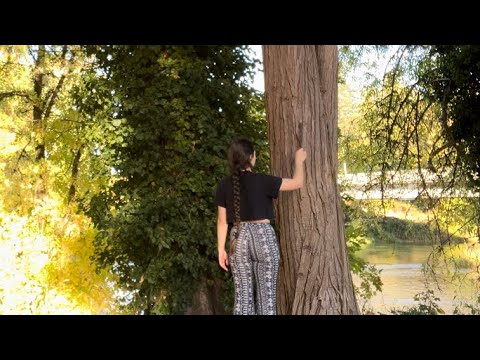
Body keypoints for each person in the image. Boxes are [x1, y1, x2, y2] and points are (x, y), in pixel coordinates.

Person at [215, 137, 307, 315]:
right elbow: (297, 183)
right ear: (251, 157)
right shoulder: (264, 180)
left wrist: (221, 249)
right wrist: (298, 161)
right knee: (267, 299)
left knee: (242, 299)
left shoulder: (224, 185)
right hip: (263, 238)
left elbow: (222, 221)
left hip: (238, 238)